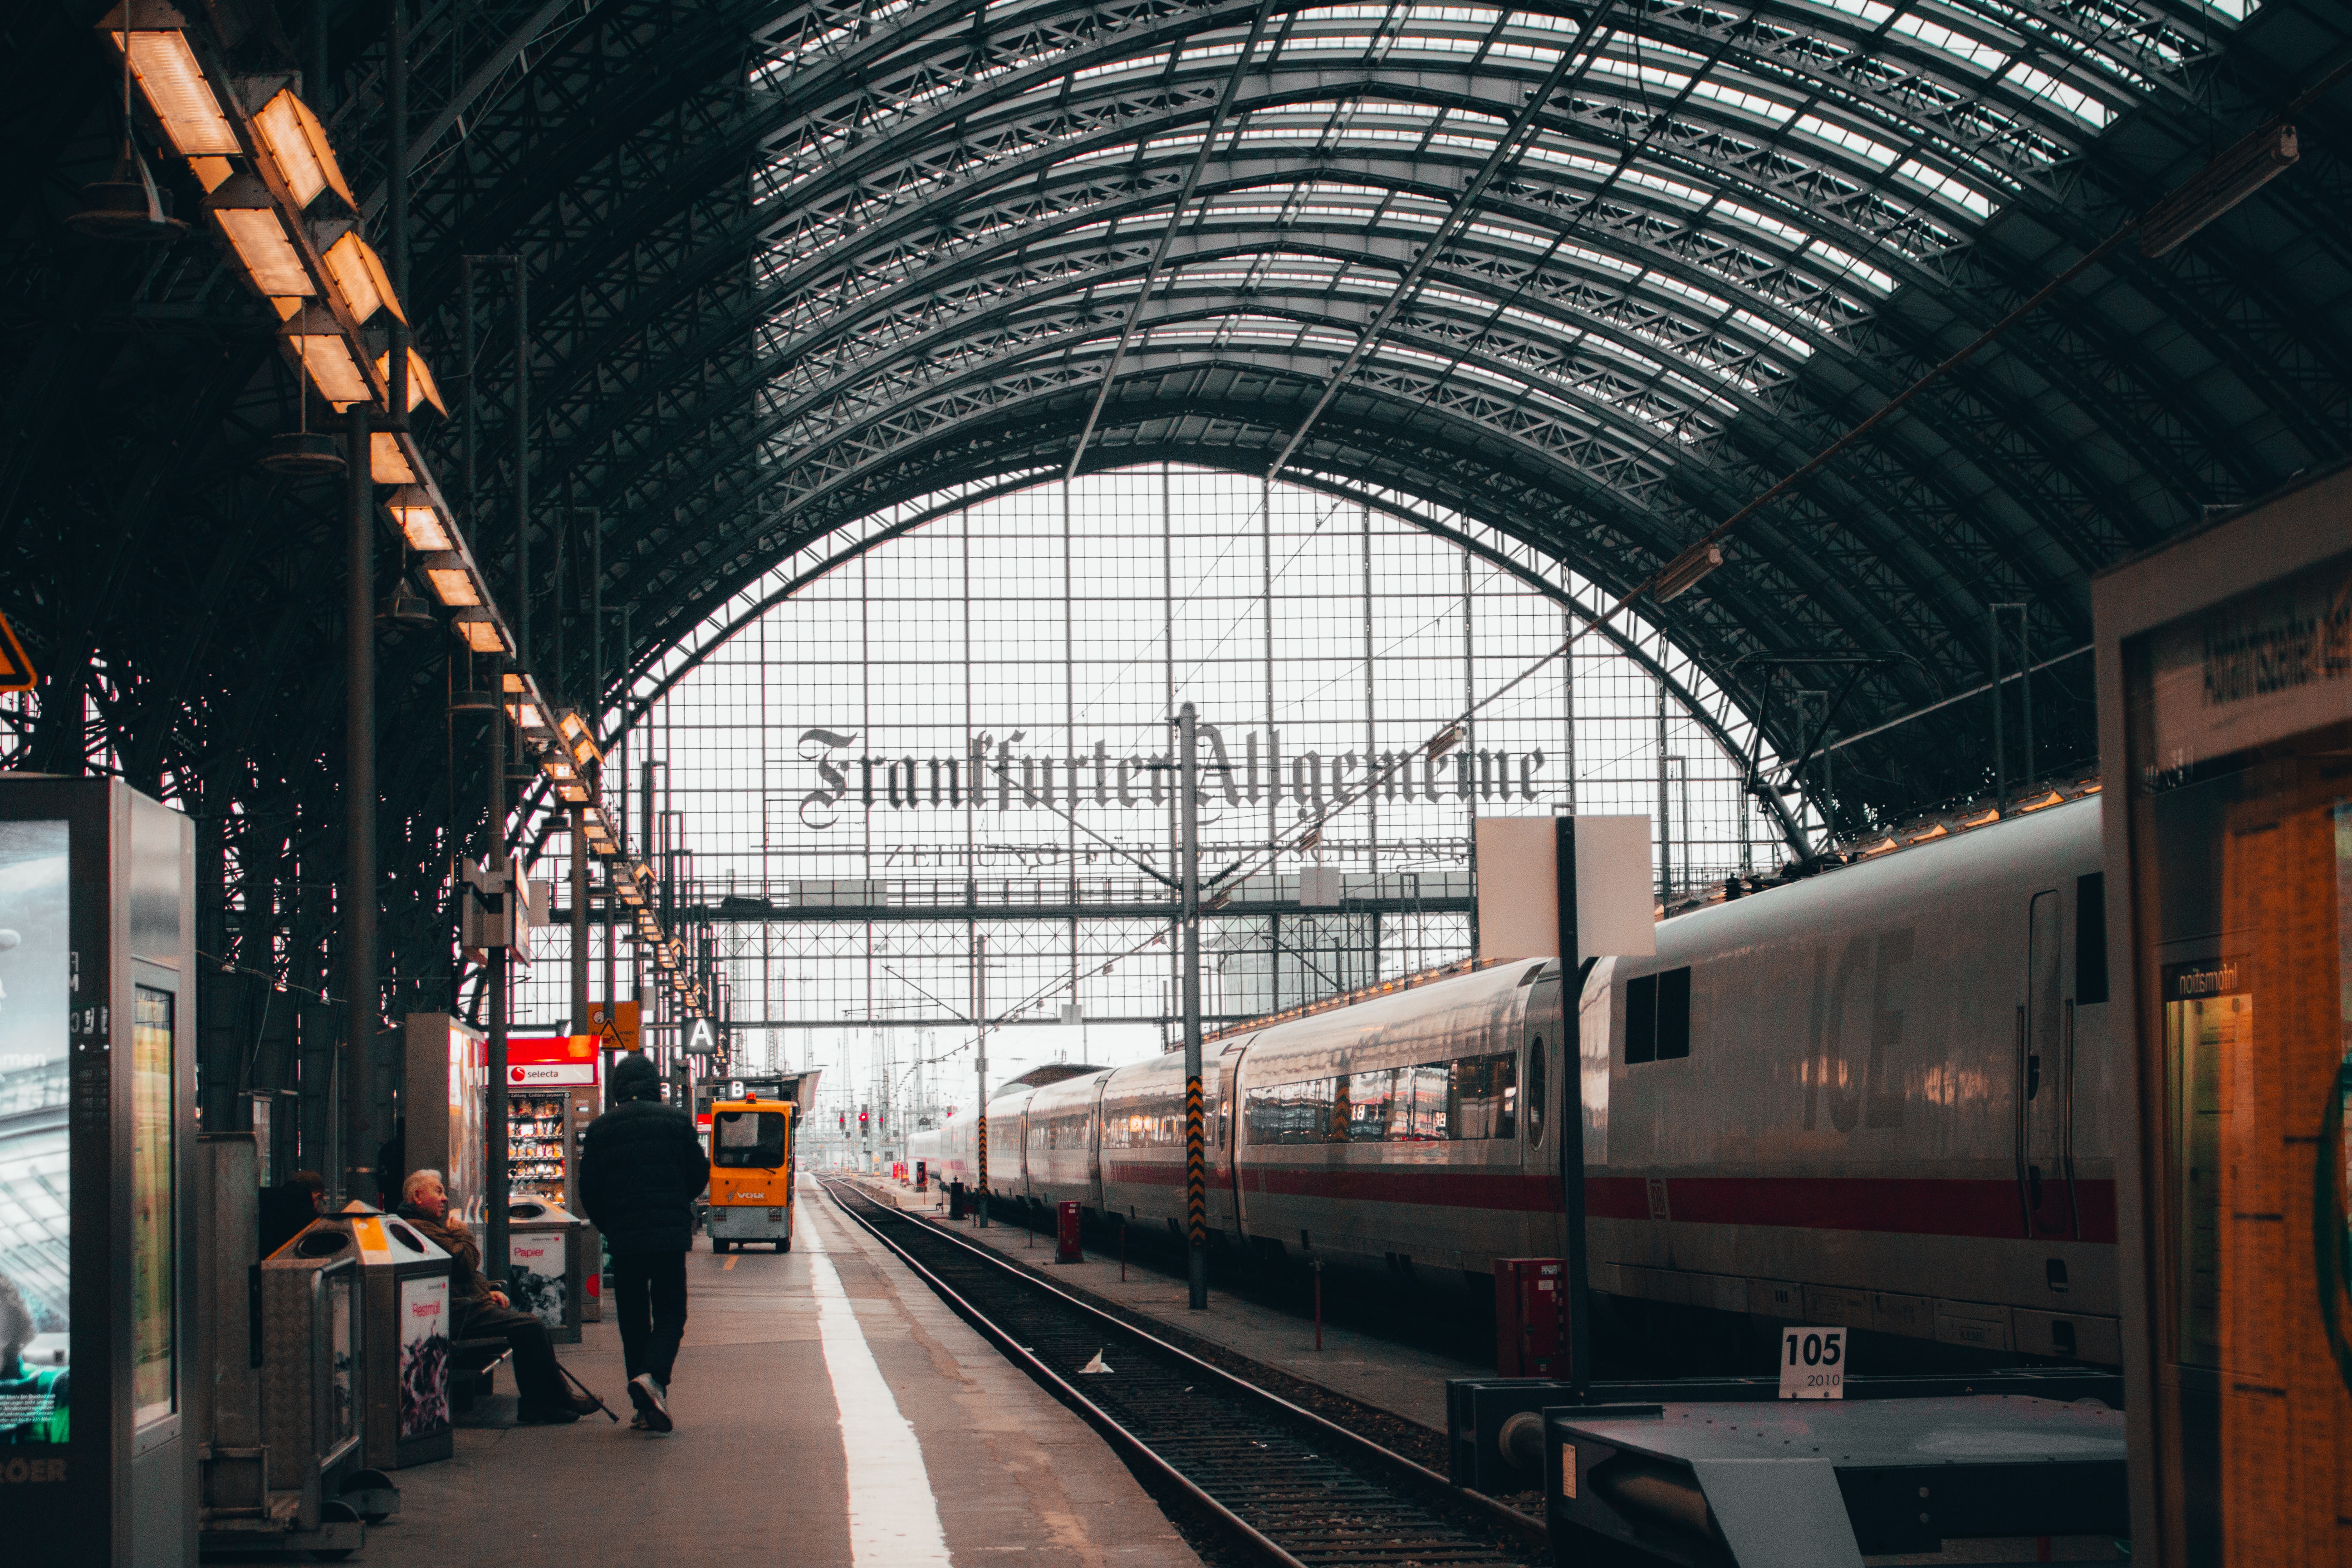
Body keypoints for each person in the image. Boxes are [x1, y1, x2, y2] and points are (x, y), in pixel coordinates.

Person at [395, 1169, 597, 1425]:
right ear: (417, 1196)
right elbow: (465, 1262)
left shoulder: (424, 1226)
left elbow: (459, 1275)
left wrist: (486, 1290)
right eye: (438, 1191)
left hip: (469, 1305)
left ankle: (542, 1402)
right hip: (462, 1313)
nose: (445, 1198)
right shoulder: (418, 1228)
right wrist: (462, 1233)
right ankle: (555, 1399)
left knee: (529, 1327)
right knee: (531, 1327)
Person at [579, 1054, 708, 1433]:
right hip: (668, 1238)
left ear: (618, 1088)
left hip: (625, 1240)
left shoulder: (601, 1129)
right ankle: (653, 1379)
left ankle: (643, 1403)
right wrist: (675, 1202)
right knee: (671, 1314)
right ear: (656, 1084)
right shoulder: (676, 1121)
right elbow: (699, 1174)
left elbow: (589, 1189)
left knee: (633, 1320)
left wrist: (612, 1225)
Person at [258, 1170, 326, 1258]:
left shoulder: (264, 1196)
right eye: (320, 1201)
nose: (317, 1208)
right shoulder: (312, 1221)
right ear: (317, 1196)